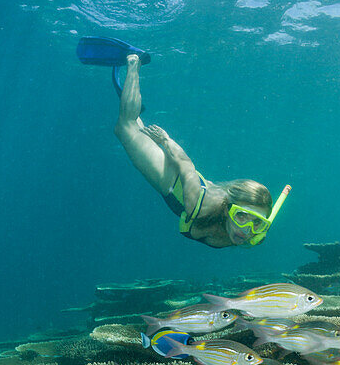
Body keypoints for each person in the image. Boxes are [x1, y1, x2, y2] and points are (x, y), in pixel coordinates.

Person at [112, 53, 290, 248]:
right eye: (241, 216)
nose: (247, 230)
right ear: (228, 207)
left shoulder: (257, 234)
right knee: (125, 128)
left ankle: (130, 98)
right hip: (171, 179)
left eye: (257, 222)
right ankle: (133, 62)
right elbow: (186, 165)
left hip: (192, 183)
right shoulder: (198, 203)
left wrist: (258, 228)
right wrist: (165, 140)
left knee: (136, 128)